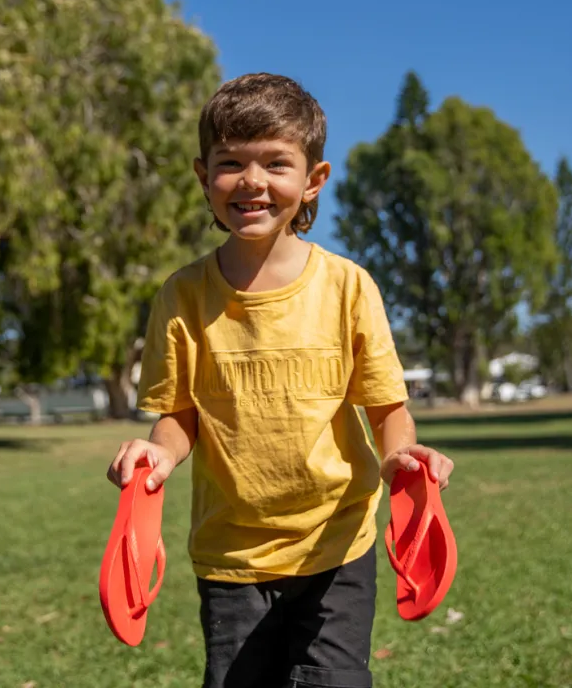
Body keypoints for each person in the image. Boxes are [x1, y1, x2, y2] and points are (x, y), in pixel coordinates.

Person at [107, 73, 455, 688]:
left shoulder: (349, 287)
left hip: (337, 543)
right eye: (230, 163)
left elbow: (384, 406)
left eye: (276, 162)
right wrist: (157, 456)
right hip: (231, 556)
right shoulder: (183, 296)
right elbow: (179, 415)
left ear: (313, 179)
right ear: (202, 175)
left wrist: (402, 454)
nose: (252, 181)